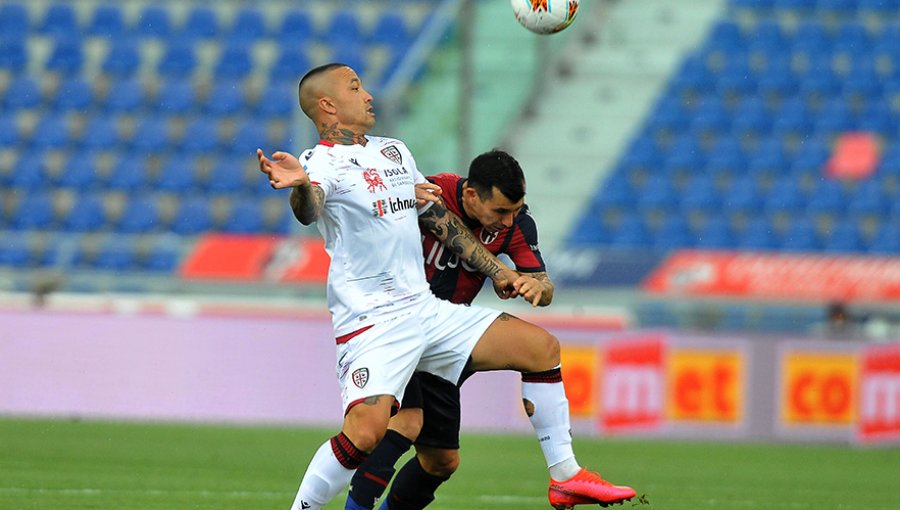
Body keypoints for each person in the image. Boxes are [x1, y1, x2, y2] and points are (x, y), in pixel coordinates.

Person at [257, 63, 635, 510]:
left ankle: (566, 478)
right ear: (328, 106)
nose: (368, 95)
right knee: (365, 434)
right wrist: (299, 187)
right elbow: (309, 208)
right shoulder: (320, 162)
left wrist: (500, 273)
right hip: (373, 321)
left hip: (426, 310)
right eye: (356, 87)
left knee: (541, 349)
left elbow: (441, 221)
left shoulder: (394, 152)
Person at [345, 149, 559, 510]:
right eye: (501, 212)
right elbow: (449, 233)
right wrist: (501, 272)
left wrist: (538, 287)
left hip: (447, 339)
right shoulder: (432, 193)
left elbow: (542, 282)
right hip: (396, 323)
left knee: (441, 461)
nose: (508, 222)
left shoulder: (518, 226)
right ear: (472, 195)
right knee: (406, 422)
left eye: (517, 210)